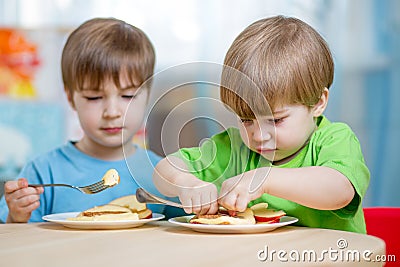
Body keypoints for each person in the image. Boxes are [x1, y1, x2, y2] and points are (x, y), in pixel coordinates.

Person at [153, 15, 370, 233]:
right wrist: (187, 183)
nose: (258, 135)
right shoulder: (234, 147)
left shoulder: (335, 139)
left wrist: (264, 179)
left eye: (275, 120)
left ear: (318, 103)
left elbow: (339, 191)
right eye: (246, 120)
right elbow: (163, 170)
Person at [0, 17, 181, 223]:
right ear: (70, 98)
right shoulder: (43, 173)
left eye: (128, 96)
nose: (112, 112)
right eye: (94, 97)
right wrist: (17, 216)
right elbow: (12, 242)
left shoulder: (164, 174)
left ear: (147, 96)